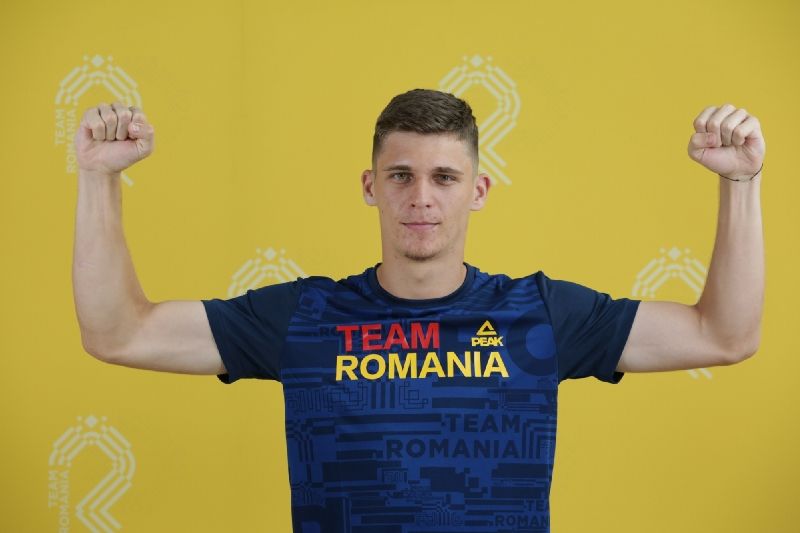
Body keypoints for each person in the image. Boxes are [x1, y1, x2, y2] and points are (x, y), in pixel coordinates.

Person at [72, 89, 765, 532]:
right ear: (370, 186)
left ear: (479, 191)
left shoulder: (541, 314)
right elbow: (119, 332)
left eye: (444, 177)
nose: (421, 198)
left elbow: (724, 334)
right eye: (401, 176)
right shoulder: (305, 315)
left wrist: (741, 184)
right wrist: (99, 178)